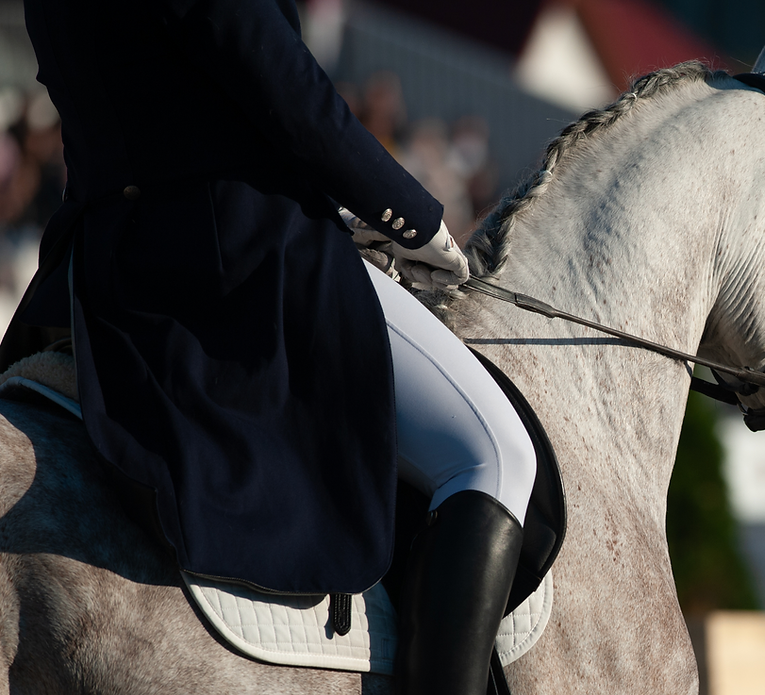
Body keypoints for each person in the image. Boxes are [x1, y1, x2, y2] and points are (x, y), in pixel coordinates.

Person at [3, 1, 537, 693]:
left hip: (97, 268)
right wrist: (407, 216)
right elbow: (272, 70)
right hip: (239, 258)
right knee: (497, 454)